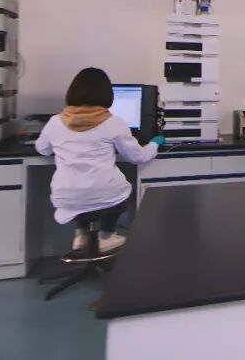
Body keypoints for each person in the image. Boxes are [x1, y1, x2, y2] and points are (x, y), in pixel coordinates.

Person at [35, 68, 165, 253]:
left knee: (80, 191)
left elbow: (42, 149)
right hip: (105, 197)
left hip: (68, 198)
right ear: (107, 95)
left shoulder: (55, 122)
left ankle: (81, 234)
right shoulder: (114, 123)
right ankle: (106, 235)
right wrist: (154, 143)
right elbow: (137, 157)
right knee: (118, 190)